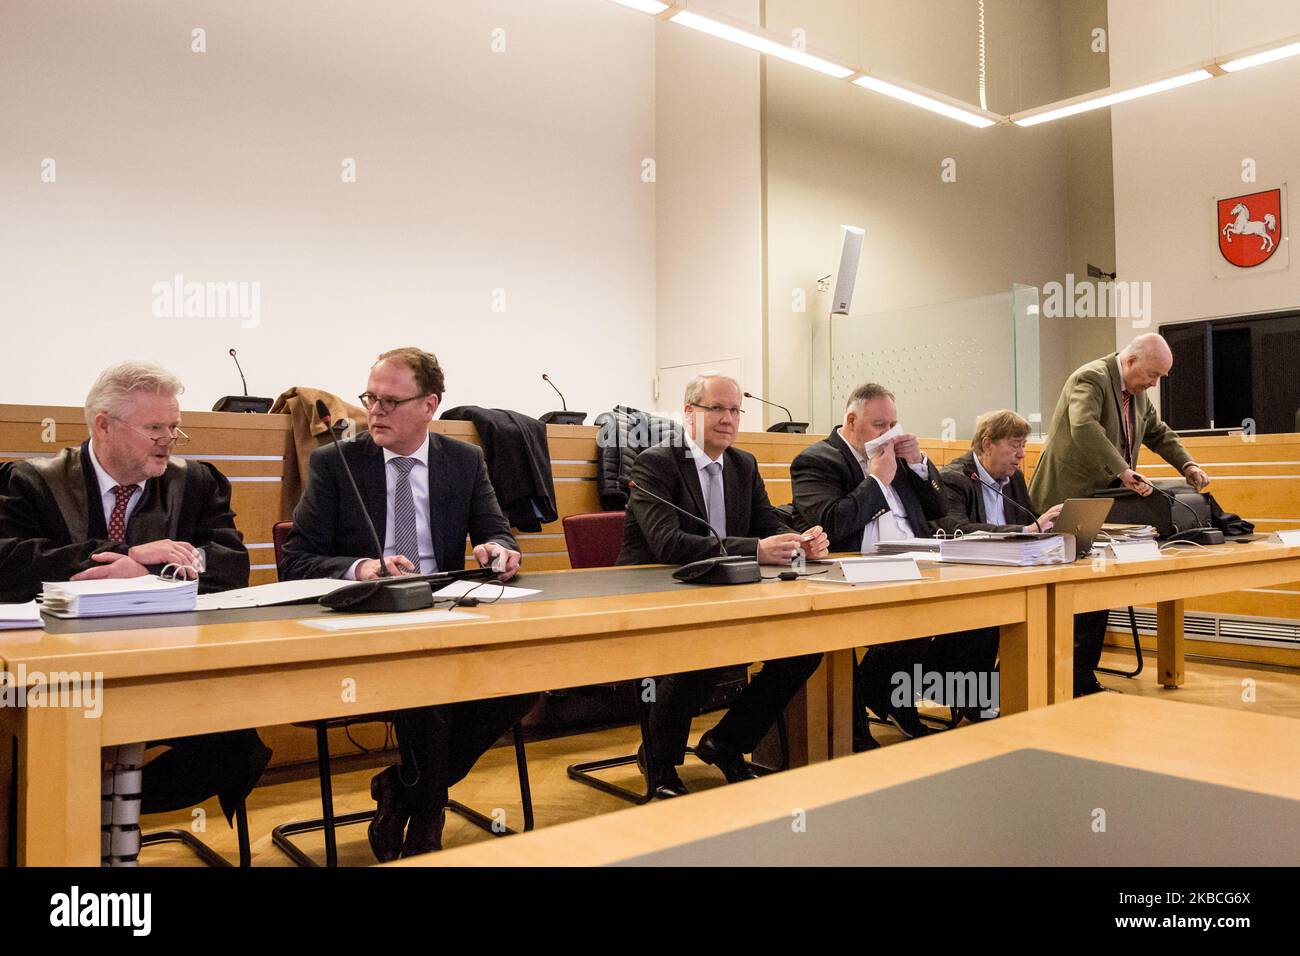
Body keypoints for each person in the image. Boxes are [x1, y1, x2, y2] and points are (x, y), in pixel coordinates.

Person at [0, 360, 269, 865]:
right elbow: (7, 562)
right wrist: (122, 552)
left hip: (169, 669)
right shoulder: (32, 482)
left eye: (173, 427)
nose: (168, 440)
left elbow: (229, 563)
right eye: (154, 428)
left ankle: (107, 815)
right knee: (37, 758)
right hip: (59, 675)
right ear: (103, 425)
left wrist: (149, 576)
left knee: (233, 743)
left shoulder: (198, 483)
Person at [279, 346, 536, 859]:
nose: (375, 411)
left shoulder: (464, 461)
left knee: (522, 685)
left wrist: (499, 551)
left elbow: (496, 531)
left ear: (430, 405)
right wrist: (363, 568)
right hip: (365, 624)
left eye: (392, 401)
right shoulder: (336, 463)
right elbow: (297, 558)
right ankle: (428, 815)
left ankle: (403, 787)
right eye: (370, 398)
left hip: (441, 616)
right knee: (430, 694)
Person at [618, 374, 829, 798]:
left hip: (723, 587)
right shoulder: (656, 463)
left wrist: (800, 540)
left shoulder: (742, 463)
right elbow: (668, 543)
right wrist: (756, 549)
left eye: (735, 410)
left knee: (804, 648)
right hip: (655, 588)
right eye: (718, 408)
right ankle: (658, 764)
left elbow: (766, 521)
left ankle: (727, 742)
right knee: (703, 650)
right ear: (690, 413)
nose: (728, 419)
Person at [1030, 333, 1211, 694]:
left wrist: (1187, 465)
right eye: (1152, 375)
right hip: (1065, 498)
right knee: (1069, 592)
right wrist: (1122, 469)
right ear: (1129, 362)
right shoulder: (1090, 378)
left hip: (1104, 501)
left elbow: (1158, 433)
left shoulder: (1138, 393)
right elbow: (1084, 427)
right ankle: (1055, 674)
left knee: (1096, 589)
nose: (1154, 384)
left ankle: (1081, 675)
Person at [791, 382, 950, 745]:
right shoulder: (818, 460)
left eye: (893, 424)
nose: (890, 434)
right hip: (852, 570)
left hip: (916, 562)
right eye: (880, 425)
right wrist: (877, 479)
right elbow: (831, 523)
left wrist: (919, 464)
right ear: (851, 420)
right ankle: (857, 719)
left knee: (967, 612)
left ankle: (887, 694)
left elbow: (939, 509)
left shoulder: (896, 455)